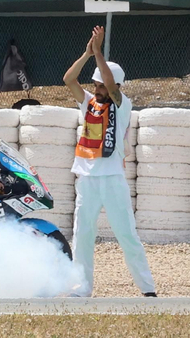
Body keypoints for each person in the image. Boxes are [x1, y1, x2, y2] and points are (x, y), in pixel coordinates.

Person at [62, 26, 155, 299]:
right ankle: (83, 288)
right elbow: (69, 79)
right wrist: (87, 53)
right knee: (83, 235)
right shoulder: (89, 102)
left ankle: (148, 289)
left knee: (126, 235)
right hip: (87, 177)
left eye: (101, 84)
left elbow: (111, 84)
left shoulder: (121, 103)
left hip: (112, 177)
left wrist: (99, 54)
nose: (98, 89)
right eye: (96, 85)